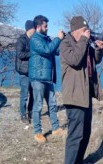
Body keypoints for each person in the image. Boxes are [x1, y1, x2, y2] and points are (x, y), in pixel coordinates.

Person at [60, 16, 103, 164]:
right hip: (74, 95)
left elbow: (95, 60)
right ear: (75, 30)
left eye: (87, 30)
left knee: (85, 132)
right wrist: (85, 40)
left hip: (86, 94)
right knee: (75, 134)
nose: (87, 32)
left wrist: (98, 48)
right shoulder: (65, 43)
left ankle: (79, 163)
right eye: (84, 30)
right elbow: (75, 60)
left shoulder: (83, 43)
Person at [28, 15, 65, 143]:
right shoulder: (35, 39)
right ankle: (37, 132)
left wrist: (63, 41)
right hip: (38, 78)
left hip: (47, 77)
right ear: (39, 27)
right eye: (45, 26)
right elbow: (47, 50)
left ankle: (55, 128)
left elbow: (56, 50)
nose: (47, 28)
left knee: (52, 104)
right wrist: (58, 39)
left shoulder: (45, 38)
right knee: (38, 106)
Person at [15, 20, 35, 124]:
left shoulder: (33, 39)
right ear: (30, 29)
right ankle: (23, 115)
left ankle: (30, 112)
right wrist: (32, 53)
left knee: (33, 94)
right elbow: (20, 54)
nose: (35, 30)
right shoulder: (21, 40)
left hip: (32, 71)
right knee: (24, 95)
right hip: (24, 71)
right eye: (34, 28)